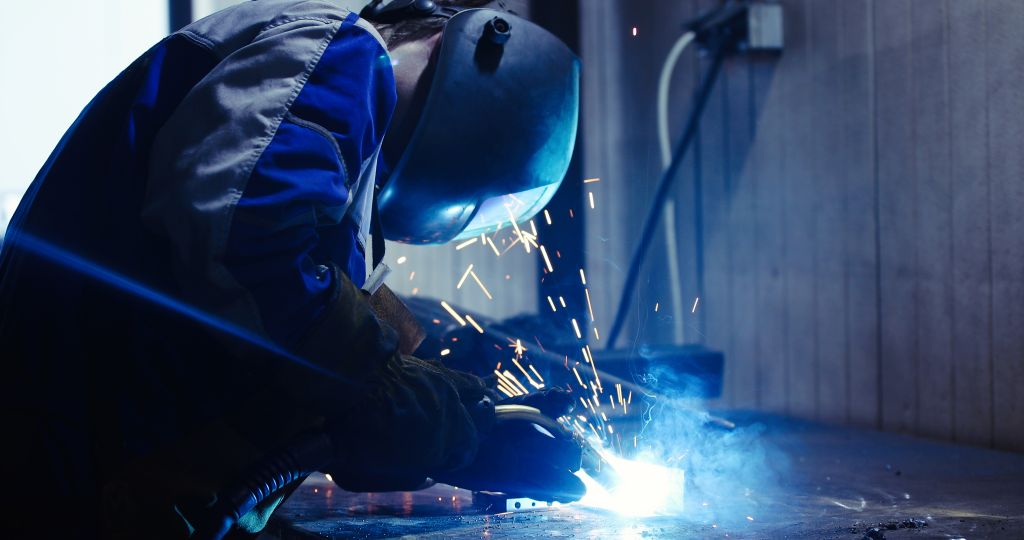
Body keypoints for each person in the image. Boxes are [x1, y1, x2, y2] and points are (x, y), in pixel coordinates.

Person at [0, 0, 580, 538]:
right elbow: (244, 244)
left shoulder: (343, 204)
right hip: (64, 448)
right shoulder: (344, 52)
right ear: (447, 51)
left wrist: (463, 433)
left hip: (95, 460)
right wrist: (378, 390)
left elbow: (281, 355)